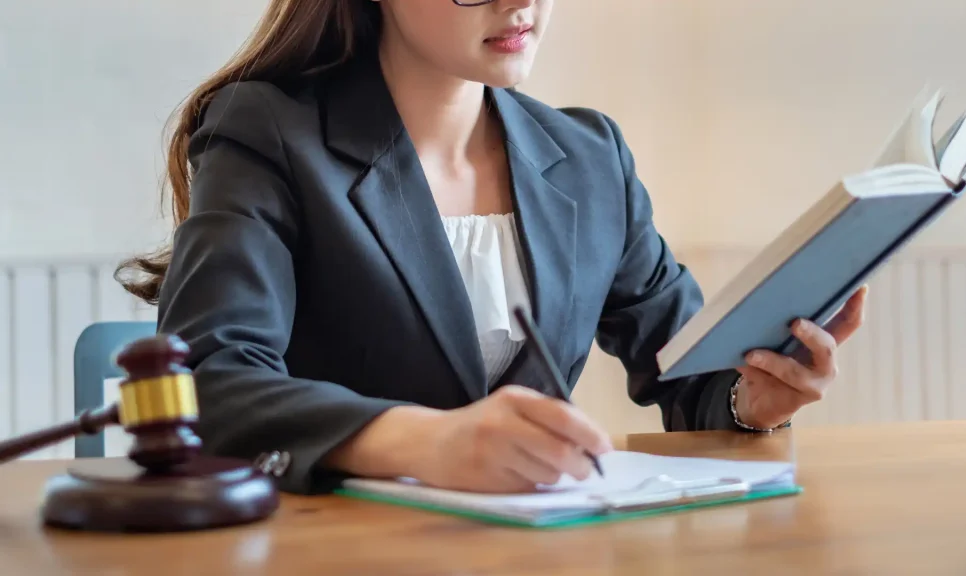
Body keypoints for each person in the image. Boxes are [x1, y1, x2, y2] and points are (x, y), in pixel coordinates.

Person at [119, 0, 867, 496]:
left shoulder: (589, 154)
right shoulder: (271, 133)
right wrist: (422, 443)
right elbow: (208, 383)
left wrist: (751, 397)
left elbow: (687, 373)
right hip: (332, 550)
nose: (520, 4)